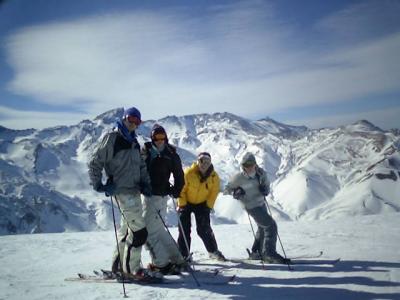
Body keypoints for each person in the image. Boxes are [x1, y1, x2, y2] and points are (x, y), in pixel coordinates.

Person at [88, 106, 156, 280]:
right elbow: (95, 162)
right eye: (131, 119)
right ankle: (131, 269)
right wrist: (99, 185)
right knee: (140, 233)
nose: (133, 123)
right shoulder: (113, 138)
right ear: (124, 118)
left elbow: (140, 166)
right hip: (122, 192)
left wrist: (146, 184)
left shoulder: (134, 141)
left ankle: (118, 265)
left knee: (127, 231)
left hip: (134, 191)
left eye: (137, 121)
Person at [224, 152, 290, 264]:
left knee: (262, 227)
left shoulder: (261, 174)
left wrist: (265, 189)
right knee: (270, 225)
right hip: (251, 206)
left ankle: (256, 252)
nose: (248, 167)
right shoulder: (238, 178)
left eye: (251, 164)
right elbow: (226, 189)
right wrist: (235, 192)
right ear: (242, 166)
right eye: (246, 165)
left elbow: (267, 186)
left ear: (255, 164)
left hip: (261, 203)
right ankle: (269, 254)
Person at [141, 124, 186, 274]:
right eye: (156, 137)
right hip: (151, 195)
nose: (159, 140)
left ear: (165, 138)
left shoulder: (171, 154)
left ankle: (161, 264)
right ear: (152, 138)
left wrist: (176, 190)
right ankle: (177, 259)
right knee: (159, 230)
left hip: (156, 197)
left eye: (162, 137)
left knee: (147, 232)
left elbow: (179, 175)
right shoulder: (145, 151)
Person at [177, 152, 226, 261]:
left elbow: (214, 192)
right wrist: (182, 204)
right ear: (198, 162)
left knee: (204, 229)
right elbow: (181, 190)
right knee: (184, 229)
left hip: (202, 203)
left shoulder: (214, 177)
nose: (204, 164)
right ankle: (183, 255)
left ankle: (213, 251)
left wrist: (208, 205)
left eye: (207, 161)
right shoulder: (189, 173)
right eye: (201, 161)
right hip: (186, 203)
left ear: (210, 163)